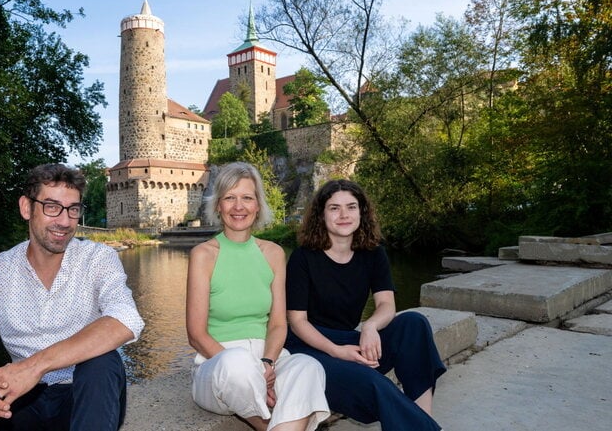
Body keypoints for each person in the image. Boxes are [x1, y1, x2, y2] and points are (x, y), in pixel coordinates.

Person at [0, 163, 145, 430]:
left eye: (73, 209)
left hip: (82, 397)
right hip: (21, 402)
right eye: (52, 207)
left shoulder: (98, 258)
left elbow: (125, 318)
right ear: (26, 207)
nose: (65, 221)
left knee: (102, 363)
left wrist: (33, 368)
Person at [284, 179, 446, 431]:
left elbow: (386, 304)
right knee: (372, 382)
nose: (344, 215)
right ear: (321, 215)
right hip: (310, 348)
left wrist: (370, 326)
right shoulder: (303, 257)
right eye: (334, 208)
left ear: (362, 212)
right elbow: (297, 321)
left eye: (351, 206)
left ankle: (423, 418)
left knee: (414, 324)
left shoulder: (373, 253)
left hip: (351, 341)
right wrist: (337, 351)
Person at [186, 162, 330, 431]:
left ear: (258, 205)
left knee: (309, 366)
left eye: (247, 198)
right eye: (229, 198)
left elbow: (277, 324)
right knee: (236, 363)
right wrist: (253, 374)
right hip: (217, 365)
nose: (238, 206)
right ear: (218, 205)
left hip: (267, 361)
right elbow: (196, 334)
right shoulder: (203, 255)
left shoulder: (274, 254)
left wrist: (265, 364)